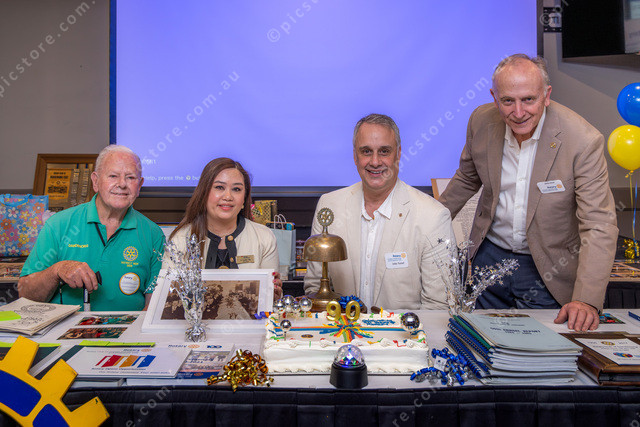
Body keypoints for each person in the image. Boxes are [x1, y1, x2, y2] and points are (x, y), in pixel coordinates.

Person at [439, 54, 618, 331]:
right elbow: (466, 179)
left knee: (540, 346)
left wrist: (586, 299)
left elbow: (599, 224)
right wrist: (425, 225)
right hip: (489, 258)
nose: (519, 112)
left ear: (546, 95)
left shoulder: (582, 140)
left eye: (528, 100)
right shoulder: (480, 121)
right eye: (508, 101)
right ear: (494, 97)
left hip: (547, 268)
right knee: (482, 340)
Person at [304, 114, 454, 310]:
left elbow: (438, 308)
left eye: (384, 151)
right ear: (355, 156)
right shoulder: (329, 207)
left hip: (405, 330)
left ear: (398, 154)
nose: (375, 162)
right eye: (366, 151)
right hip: (340, 330)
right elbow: (315, 291)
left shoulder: (433, 217)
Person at [18, 145, 165, 311]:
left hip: (131, 327)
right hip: (63, 328)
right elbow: (25, 295)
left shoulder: (153, 235)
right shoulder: (58, 225)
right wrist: (57, 270)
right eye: (113, 176)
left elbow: (154, 306)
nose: (122, 184)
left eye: (130, 177)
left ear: (140, 185)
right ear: (95, 181)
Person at [164, 158, 282, 298]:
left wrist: (273, 296)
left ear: (244, 198)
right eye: (219, 187)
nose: (228, 196)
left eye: (236, 189)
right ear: (204, 193)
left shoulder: (264, 237)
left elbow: (268, 300)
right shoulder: (180, 240)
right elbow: (170, 299)